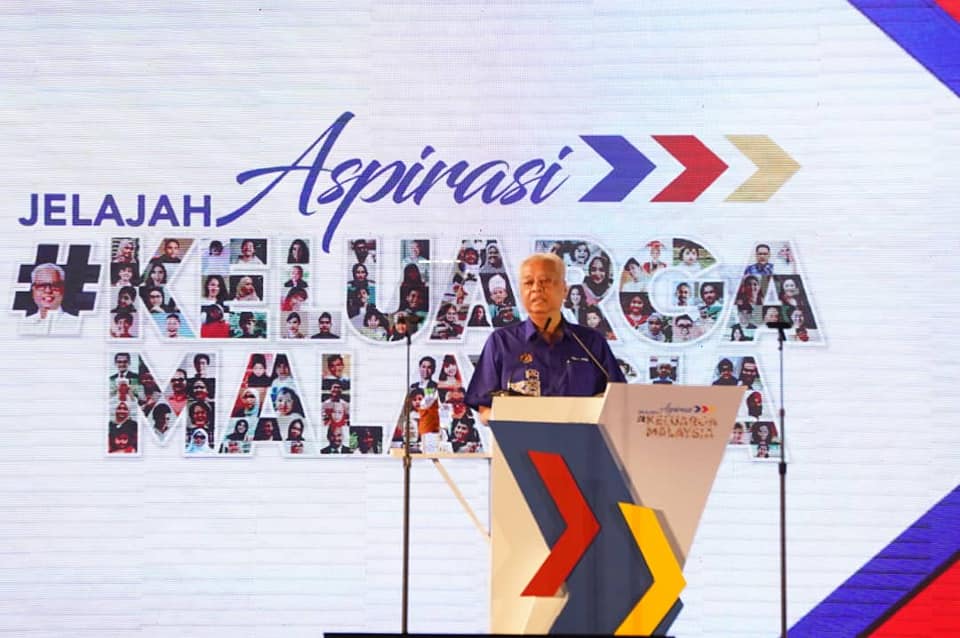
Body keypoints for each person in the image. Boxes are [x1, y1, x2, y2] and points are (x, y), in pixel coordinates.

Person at [466, 252, 625, 424]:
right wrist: (508, 419)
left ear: (564, 289)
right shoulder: (501, 342)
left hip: (581, 439)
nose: (536, 288)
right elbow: (484, 409)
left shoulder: (590, 342)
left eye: (545, 281)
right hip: (521, 440)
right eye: (528, 282)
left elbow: (619, 401)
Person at [22, 263, 81, 334]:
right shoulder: (23, 325)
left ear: (62, 289)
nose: (48, 290)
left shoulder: (77, 324)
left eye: (54, 285)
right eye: (41, 286)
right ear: (33, 290)